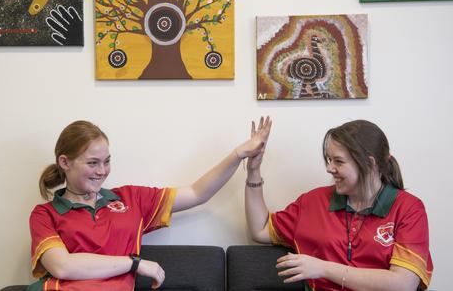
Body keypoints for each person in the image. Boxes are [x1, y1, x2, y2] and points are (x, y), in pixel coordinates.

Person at [28, 118, 272, 291]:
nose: (102, 171)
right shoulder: (45, 214)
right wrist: (135, 263)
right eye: (92, 163)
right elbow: (62, 267)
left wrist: (239, 154)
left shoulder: (129, 199)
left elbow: (198, 192)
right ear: (65, 162)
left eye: (107, 161)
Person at [245, 120, 433, 291]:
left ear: (370, 164)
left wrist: (322, 268)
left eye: (339, 161)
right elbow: (260, 230)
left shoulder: (409, 209)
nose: (329, 168)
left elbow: (402, 285)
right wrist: (253, 171)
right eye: (329, 159)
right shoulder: (313, 202)